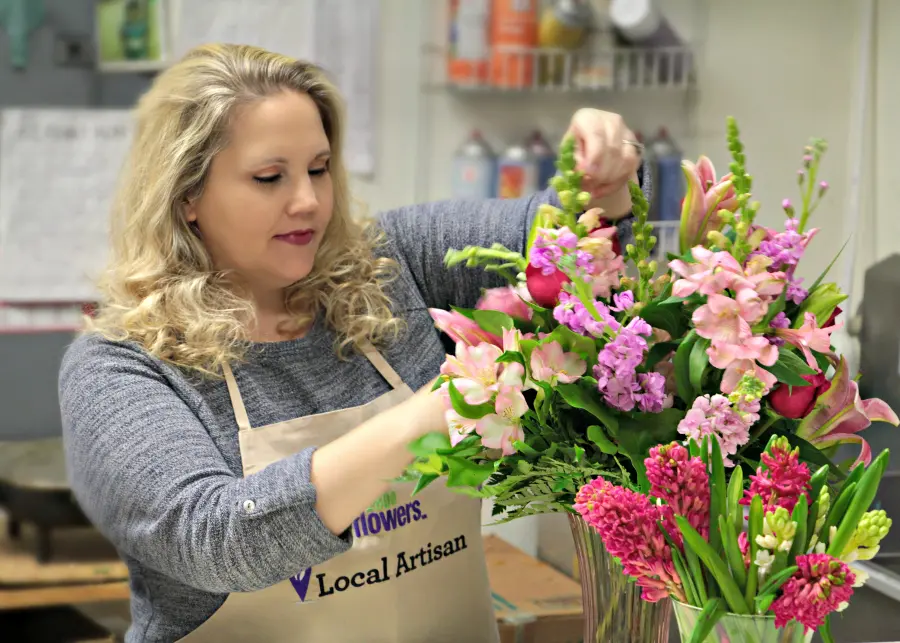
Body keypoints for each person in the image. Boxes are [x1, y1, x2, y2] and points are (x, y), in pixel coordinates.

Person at [59, 43, 647, 643]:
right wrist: (439, 408)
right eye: (270, 178)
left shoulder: (392, 265)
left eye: (318, 168)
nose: (308, 201)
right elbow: (212, 541)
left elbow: (569, 242)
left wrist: (602, 181)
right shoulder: (121, 361)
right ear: (187, 196)